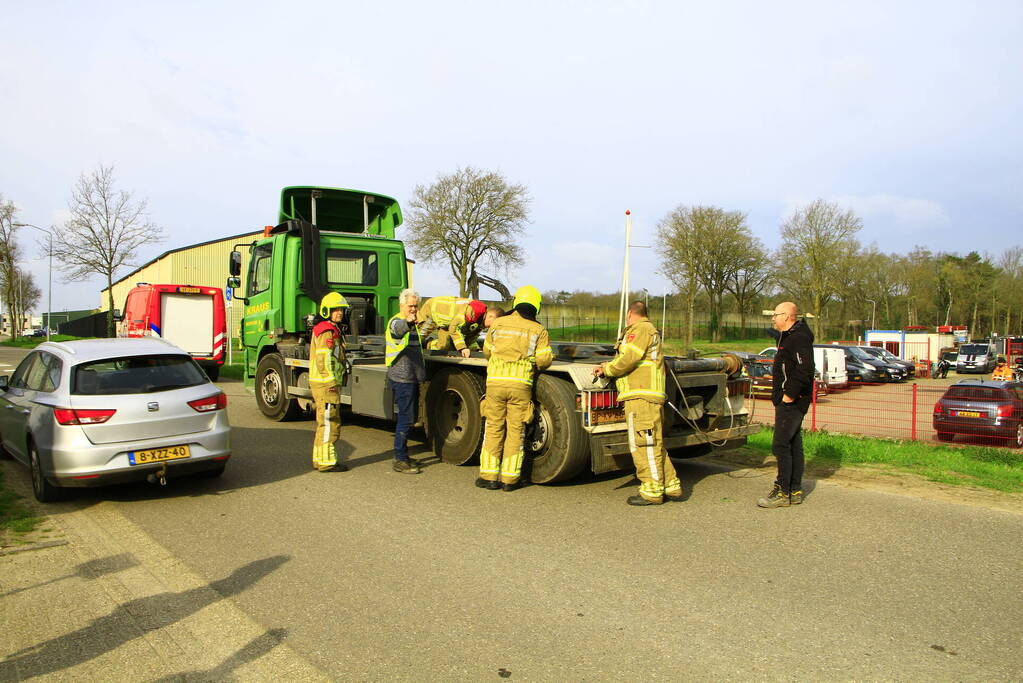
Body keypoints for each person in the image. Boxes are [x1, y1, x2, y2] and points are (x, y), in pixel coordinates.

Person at [593, 301, 681, 506]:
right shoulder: (650, 330)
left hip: (640, 396)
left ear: (630, 313)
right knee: (654, 443)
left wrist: (607, 369)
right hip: (649, 395)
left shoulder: (640, 329)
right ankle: (670, 484)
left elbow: (628, 358)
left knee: (644, 444)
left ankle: (651, 491)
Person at [477, 285, 553, 491]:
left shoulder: (498, 323)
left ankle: (489, 477)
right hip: (521, 387)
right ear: (536, 306)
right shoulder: (539, 330)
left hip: (495, 384)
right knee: (516, 431)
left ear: (516, 303)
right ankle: (509, 480)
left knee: (493, 428)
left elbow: (487, 351)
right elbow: (544, 360)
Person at [759, 301, 815, 508]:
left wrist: (788, 395)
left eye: (775, 315)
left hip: (793, 401)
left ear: (788, 317)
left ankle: (783, 491)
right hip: (789, 399)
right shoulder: (788, 336)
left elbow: (805, 369)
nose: (773, 318)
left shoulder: (798, 338)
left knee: (781, 444)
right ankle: (794, 490)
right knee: (793, 444)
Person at [386, 288, 426, 474]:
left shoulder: (415, 324)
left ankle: (403, 455)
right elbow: (398, 330)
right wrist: (409, 322)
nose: (413, 309)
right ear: (402, 305)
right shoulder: (396, 321)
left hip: (411, 377)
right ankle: (399, 459)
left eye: (416, 306)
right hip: (402, 378)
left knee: (409, 418)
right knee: (405, 418)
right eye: (410, 306)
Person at [309, 292, 349, 472]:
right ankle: (326, 463)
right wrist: (331, 382)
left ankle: (320, 460)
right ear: (327, 311)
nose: (339, 312)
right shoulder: (327, 331)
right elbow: (323, 359)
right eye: (335, 309)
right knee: (329, 422)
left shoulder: (328, 328)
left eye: (341, 309)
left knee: (323, 422)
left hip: (323, 383)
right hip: (326, 385)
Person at [416, 296, 489, 358]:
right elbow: (454, 328)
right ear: (490, 316)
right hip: (432, 311)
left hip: (447, 322)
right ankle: (415, 347)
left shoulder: (479, 318)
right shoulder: (472, 311)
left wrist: (476, 350)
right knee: (420, 336)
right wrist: (462, 348)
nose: (489, 327)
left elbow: (470, 337)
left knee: (444, 346)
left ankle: (428, 345)